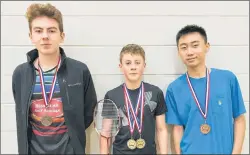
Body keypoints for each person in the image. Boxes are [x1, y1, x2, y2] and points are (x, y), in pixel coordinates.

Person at [12, 3, 97, 154]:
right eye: (38, 31)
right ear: (31, 36)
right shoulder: (20, 74)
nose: (45, 36)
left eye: (51, 30)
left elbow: (89, 112)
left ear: (62, 36)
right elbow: (22, 113)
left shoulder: (79, 71)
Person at [165, 24, 246, 154]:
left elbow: (239, 119)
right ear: (179, 52)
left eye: (195, 45)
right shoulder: (174, 89)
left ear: (207, 47)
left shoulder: (227, 79)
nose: (189, 52)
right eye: (184, 47)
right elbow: (177, 128)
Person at [100, 44, 168, 154]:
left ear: (144, 65)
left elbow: (161, 130)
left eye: (137, 62)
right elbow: (106, 133)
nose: (133, 67)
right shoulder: (111, 95)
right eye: (128, 63)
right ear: (120, 66)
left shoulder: (156, 93)